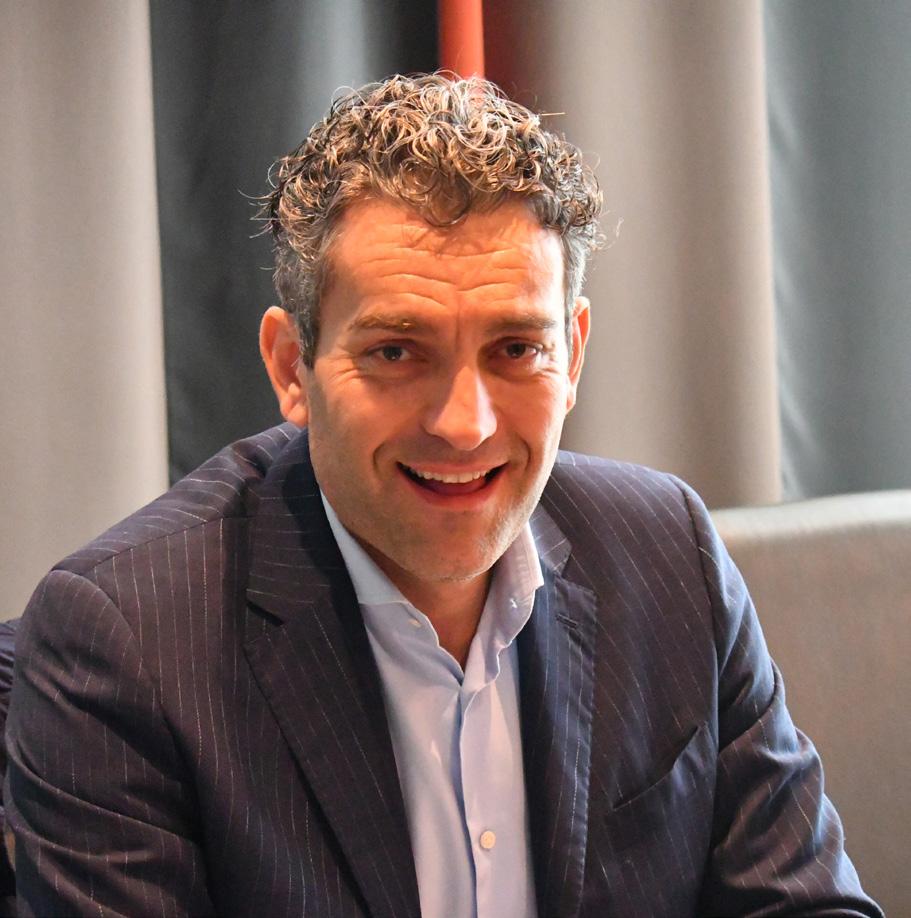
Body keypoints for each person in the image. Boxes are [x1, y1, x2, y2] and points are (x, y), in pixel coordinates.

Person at [5, 74, 881, 918]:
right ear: (291, 368)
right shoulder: (125, 642)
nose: (465, 426)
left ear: (572, 353)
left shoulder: (668, 553)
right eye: (396, 352)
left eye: (515, 350)